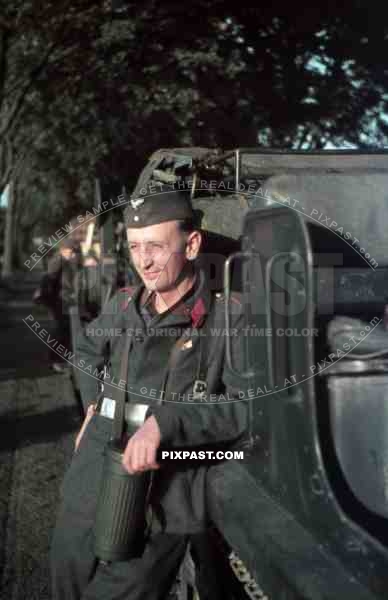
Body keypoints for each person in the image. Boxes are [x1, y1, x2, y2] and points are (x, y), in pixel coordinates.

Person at [50, 184, 249, 600]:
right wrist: (92, 406)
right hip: (94, 473)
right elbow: (86, 350)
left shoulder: (226, 319)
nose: (144, 261)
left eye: (156, 246)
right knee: (67, 582)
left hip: (166, 495)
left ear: (191, 244)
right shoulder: (124, 305)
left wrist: (168, 424)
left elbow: (243, 407)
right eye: (136, 246)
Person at [33, 236, 82, 372]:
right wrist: (48, 298)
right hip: (58, 301)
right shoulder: (57, 261)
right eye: (71, 251)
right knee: (60, 330)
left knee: (64, 330)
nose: (73, 254)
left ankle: (60, 360)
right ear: (64, 249)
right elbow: (49, 281)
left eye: (74, 251)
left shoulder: (65, 261)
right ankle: (55, 360)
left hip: (63, 300)